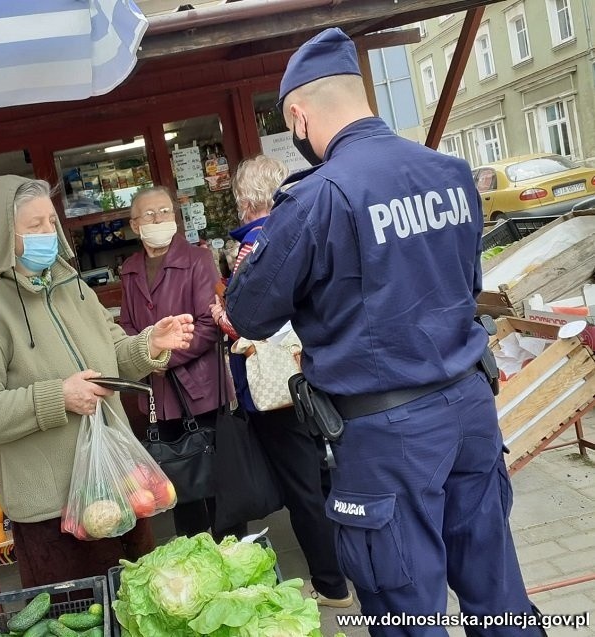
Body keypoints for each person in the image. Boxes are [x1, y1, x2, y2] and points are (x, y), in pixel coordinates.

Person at [225, 29, 545, 636]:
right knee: (496, 587)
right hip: (470, 410)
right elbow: (465, 281)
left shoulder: (317, 197)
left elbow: (248, 314)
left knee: (406, 609)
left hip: (385, 434)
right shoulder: (450, 173)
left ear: (298, 114)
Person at [0, 176, 195, 588]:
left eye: (50, 221)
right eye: (33, 225)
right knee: (79, 622)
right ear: (1, 234)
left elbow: (111, 355)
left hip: (120, 487)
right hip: (53, 515)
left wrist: (147, 345)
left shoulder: (73, 288)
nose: (48, 233)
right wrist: (57, 397)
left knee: (144, 612)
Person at [210, 155, 352, 608]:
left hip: (277, 389)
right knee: (324, 477)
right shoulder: (300, 235)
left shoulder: (256, 246)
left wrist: (221, 316)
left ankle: (331, 584)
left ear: (245, 199)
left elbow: (251, 319)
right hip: (310, 374)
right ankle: (349, 563)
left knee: (302, 489)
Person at [119, 186, 245, 540]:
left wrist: (163, 355)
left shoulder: (196, 259)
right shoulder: (129, 270)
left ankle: (233, 551)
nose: (159, 219)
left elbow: (208, 325)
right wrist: (146, 353)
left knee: (219, 481)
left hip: (201, 389)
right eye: (150, 214)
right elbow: (127, 328)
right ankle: (195, 556)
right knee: (180, 485)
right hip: (159, 398)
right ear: (134, 225)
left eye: (164, 212)